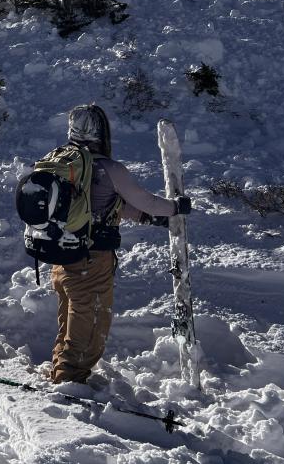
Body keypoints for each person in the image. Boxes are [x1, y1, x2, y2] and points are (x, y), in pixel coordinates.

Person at [49, 103, 191, 384]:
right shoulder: (108, 169)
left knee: (70, 317)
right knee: (90, 324)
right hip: (91, 260)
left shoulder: (62, 163)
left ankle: (60, 371)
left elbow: (106, 207)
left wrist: (147, 219)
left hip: (61, 255)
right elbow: (145, 200)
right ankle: (68, 385)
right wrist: (175, 208)